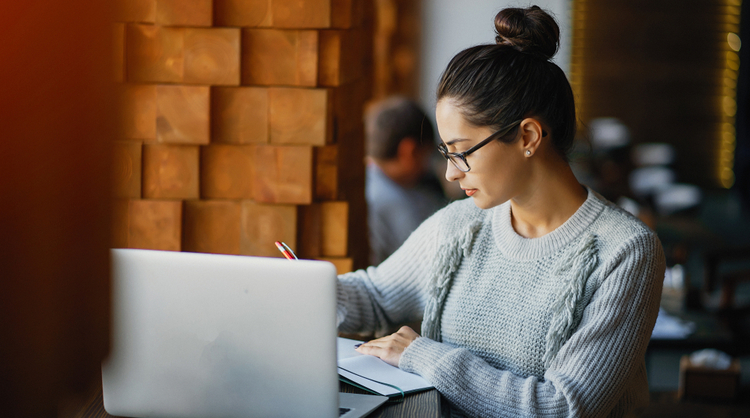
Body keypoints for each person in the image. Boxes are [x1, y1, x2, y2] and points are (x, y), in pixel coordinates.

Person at [336, 5, 665, 417]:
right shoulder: (460, 224)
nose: (452, 174)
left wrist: (424, 356)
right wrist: (298, 288)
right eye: (445, 152)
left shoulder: (626, 252)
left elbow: (561, 408)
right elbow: (375, 296)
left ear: (527, 136)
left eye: (462, 152)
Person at [364, 96, 448, 265]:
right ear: (408, 152)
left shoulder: (368, 180)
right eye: (426, 156)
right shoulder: (393, 203)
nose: (427, 167)